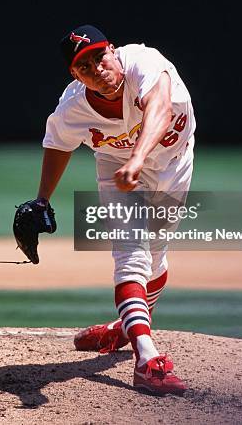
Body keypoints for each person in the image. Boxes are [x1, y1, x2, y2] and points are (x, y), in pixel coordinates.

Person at [35, 24, 195, 395]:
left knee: (156, 257)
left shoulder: (142, 61)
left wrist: (138, 158)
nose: (97, 70)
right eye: (84, 68)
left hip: (173, 161)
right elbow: (57, 144)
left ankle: (127, 327)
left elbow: (160, 105)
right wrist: (41, 199)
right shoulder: (74, 105)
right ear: (74, 76)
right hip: (117, 168)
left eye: (99, 57)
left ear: (114, 51)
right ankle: (146, 355)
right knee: (131, 256)